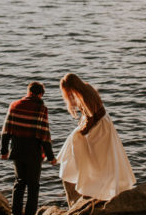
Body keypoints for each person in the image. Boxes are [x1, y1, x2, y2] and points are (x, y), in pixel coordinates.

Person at [57, 73, 136, 205]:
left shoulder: (83, 96)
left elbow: (91, 118)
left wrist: (82, 131)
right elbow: (90, 115)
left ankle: (87, 183)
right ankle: (94, 185)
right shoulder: (87, 88)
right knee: (104, 158)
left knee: (96, 158)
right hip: (103, 123)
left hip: (99, 127)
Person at [0, 81, 57, 215]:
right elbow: (44, 136)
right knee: (33, 186)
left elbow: (6, 131)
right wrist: (51, 157)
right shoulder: (41, 109)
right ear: (40, 94)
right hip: (34, 152)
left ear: (28, 92)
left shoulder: (14, 105)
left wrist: (4, 151)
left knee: (19, 182)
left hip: (17, 150)